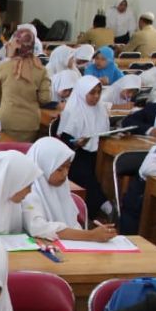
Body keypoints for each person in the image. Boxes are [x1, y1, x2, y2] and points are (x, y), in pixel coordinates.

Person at [23, 137, 117, 243]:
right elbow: (38, 228)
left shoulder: (62, 186)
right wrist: (90, 235)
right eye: (59, 169)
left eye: (68, 167)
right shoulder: (26, 192)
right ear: (43, 166)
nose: (65, 174)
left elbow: (72, 222)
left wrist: (97, 233)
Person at [56, 75, 111, 218]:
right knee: (84, 174)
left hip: (96, 154)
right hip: (74, 156)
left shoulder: (101, 109)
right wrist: (75, 143)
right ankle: (103, 205)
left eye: (99, 92)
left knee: (106, 171)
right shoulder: (72, 110)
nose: (96, 97)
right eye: (92, 93)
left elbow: (104, 132)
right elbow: (63, 144)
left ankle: (103, 206)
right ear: (82, 92)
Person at [0, 26, 52, 141]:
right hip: (30, 123)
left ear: (16, 44)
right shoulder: (41, 69)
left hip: (7, 120)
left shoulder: (5, 67)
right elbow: (45, 98)